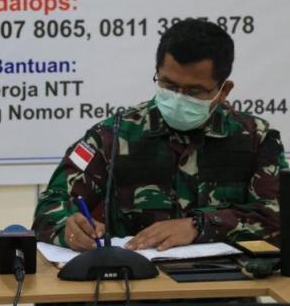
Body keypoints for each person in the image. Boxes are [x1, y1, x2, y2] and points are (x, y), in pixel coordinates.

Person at [33, 18, 288, 253]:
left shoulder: (257, 139)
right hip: (136, 280)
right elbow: (49, 207)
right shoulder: (112, 136)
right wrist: (69, 228)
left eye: (194, 91)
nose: (178, 98)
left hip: (229, 282)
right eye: (169, 85)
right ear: (158, 72)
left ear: (223, 90)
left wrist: (200, 225)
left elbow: (277, 217)